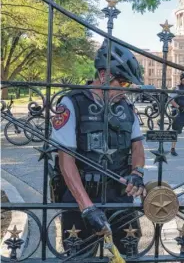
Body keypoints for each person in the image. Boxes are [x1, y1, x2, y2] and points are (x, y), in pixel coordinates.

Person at [51, 39, 146, 256]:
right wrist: (87, 207)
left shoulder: (126, 107)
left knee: (128, 256)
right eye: (123, 83)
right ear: (104, 76)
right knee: (80, 258)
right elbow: (66, 161)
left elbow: (137, 145)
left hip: (119, 196)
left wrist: (137, 173)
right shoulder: (71, 103)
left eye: (128, 85)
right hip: (81, 197)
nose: (126, 90)